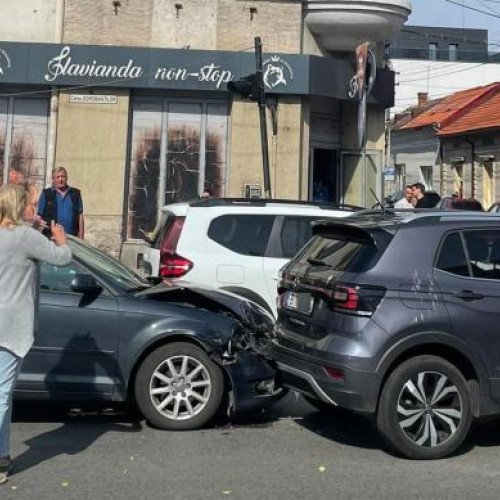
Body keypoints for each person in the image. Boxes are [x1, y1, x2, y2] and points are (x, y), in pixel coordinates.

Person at [0, 184, 72, 485]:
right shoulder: (24, 237)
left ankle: (2, 456)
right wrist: (60, 238)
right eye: (30, 204)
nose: (35, 209)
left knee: (5, 393)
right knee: (2, 395)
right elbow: (62, 258)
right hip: (11, 326)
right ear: (17, 207)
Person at [36, 166, 84, 239]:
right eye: (58, 177)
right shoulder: (46, 194)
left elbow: (80, 216)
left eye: (63, 176)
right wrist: (39, 221)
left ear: (66, 178)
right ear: (53, 179)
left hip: (71, 238)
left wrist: (81, 237)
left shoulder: (75, 194)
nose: (60, 179)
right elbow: (39, 216)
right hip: (51, 238)